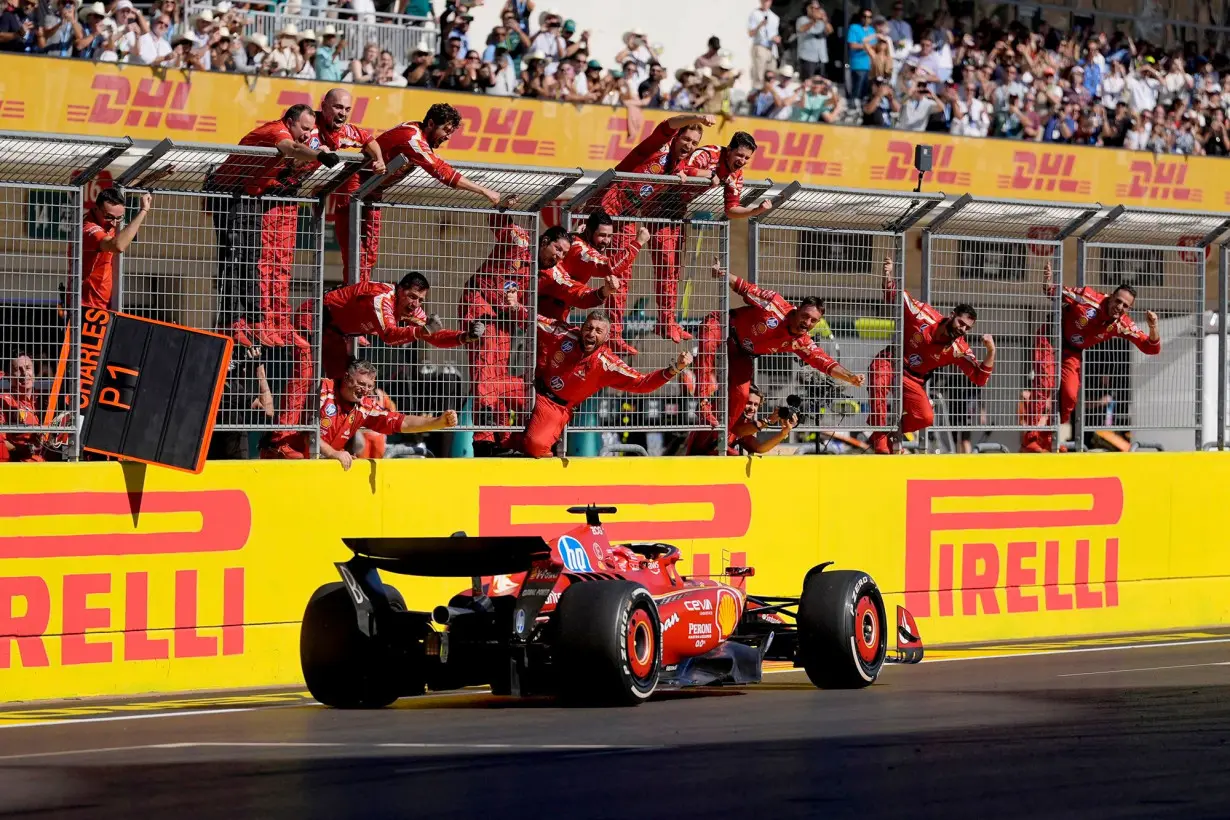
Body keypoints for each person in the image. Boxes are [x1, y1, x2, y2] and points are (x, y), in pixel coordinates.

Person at [686, 260, 864, 454]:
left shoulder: (802, 342)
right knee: (707, 349)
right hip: (724, 325)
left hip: (743, 353)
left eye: (814, 320)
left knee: (742, 395)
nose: (808, 322)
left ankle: (724, 437)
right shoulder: (775, 304)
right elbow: (746, 288)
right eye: (805, 316)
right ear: (797, 310)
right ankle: (703, 404)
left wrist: (850, 377)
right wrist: (722, 274)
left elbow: (825, 362)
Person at [207, 104, 341, 347]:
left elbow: (298, 156)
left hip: (250, 197)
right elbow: (291, 149)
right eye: (303, 128)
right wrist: (320, 155)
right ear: (289, 122)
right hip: (228, 193)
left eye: (311, 130)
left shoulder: (299, 138)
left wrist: (319, 150)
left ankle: (253, 321)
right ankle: (230, 322)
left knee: (252, 259)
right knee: (235, 259)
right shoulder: (276, 132)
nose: (306, 134)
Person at [344, 103, 511, 283]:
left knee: (368, 253)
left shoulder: (418, 135)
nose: (447, 137)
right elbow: (444, 172)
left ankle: (357, 290)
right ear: (431, 124)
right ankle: (351, 294)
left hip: (372, 191)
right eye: (446, 130)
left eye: (451, 132)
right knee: (355, 252)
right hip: (354, 188)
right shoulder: (412, 137)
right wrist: (485, 191)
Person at [601, 112, 715, 344]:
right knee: (585, 264)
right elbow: (668, 124)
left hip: (628, 216)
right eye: (686, 139)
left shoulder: (679, 164)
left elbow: (695, 171)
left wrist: (711, 175)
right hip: (605, 205)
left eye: (694, 143)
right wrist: (698, 116)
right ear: (676, 137)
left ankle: (614, 333)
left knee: (623, 271)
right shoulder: (659, 146)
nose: (689, 145)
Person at [518, 311, 692, 457]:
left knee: (535, 446)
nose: (591, 334)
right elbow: (534, 319)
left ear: (607, 337)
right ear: (582, 327)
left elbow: (642, 383)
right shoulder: (565, 333)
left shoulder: (607, 364)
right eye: (589, 328)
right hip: (532, 387)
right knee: (494, 390)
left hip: (555, 408)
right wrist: (515, 306)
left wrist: (675, 368)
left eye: (598, 331)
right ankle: (500, 444)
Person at [867, 254, 995, 454]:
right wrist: (888, 275)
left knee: (925, 417)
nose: (963, 329)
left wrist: (991, 351)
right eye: (961, 323)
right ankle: (881, 441)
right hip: (891, 361)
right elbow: (895, 295)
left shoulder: (958, 348)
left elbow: (979, 378)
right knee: (879, 386)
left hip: (913, 379)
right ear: (952, 315)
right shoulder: (922, 315)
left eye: (967, 328)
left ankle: (890, 433)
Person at [1036, 261, 1161, 451]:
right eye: (1118, 301)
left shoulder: (1122, 324)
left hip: (1072, 350)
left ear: (1129, 310)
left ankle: (1047, 437)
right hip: (1051, 337)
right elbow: (1052, 291)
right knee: (1046, 384)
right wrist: (1047, 280)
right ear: (1110, 297)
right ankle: (1031, 439)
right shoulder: (1087, 297)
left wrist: (1153, 327)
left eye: (1125, 306)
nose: (1119, 307)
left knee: (1069, 396)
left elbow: (1151, 348)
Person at [274, 359, 458, 466]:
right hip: (285, 459)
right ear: (346, 378)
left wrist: (437, 422)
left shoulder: (366, 406)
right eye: (361, 384)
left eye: (369, 386)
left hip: (318, 465)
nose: (365, 390)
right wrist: (334, 453)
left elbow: (401, 422)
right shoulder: (322, 391)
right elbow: (308, 434)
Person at [320, 270, 484, 389]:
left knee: (342, 386)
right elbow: (389, 336)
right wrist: (421, 331)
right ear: (399, 290)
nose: (415, 304)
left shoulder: (411, 309)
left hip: (336, 334)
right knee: (306, 379)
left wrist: (464, 337)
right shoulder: (382, 298)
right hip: (316, 318)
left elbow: (434, 336)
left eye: (420, 300)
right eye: (412, 296)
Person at [462, 214, 532, 456]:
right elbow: (497, 221)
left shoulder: (545, 273)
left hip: (505, 315)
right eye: (557, 249)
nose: (558, 257)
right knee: (485, 368)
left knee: (499, 376)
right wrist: (502, 207)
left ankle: (502, 434)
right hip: (481, 301)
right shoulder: (520, 243)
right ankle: (485, 440)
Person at [314, 89, 386, 285]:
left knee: (363, 253)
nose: (342, 113)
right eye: (337, 107)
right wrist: (315, 152)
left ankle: (356, 290)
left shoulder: (347, 131)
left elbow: (369, 140)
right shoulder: (309, 125)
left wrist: (379, 159)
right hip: (284, 189)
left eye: (347, 109)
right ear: (324, 106)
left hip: (331, 191)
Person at [560, 211, 647, 355]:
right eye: (601, 235)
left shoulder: (579, 242)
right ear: (588, 232)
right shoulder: (579, 249)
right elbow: (610, 266)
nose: (606, 241)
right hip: (548, 309)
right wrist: (638, 242)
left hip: (561, 308)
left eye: (609, 236)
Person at [81, 187, 151, 311]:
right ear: (96, 208)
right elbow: (118, 246)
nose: (113, 223)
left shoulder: (107, 223)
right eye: (109, 217)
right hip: (88, 306)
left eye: (119, 218)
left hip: (107, 305)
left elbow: (127, 187)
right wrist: (143, 210)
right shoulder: (89, 229)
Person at [678, 131, 773, 220]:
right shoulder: (709, 154)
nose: (742, 161)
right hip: (664, 193)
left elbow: (731, 210)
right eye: (739, 155)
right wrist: (710, 174)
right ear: (729, 150)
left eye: (747, 158)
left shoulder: (736, 174)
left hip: (678, 206)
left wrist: (756, 211)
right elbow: (681, 169)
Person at [536, 224, 619, 324]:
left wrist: (604, 292)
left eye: (564, 253)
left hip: (539, 319)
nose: (559, 256)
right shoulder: (523, 247)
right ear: (545, 241)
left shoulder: (554, 273)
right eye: (557, 249)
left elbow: (577, 293)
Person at [1020, 314, 1057, 453]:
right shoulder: (1044, 340)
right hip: (1041, 391)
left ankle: (1047, 440)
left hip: (1046, 392)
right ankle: (1030, 441)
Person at [724, 385, 796, 455]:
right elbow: (739, 431)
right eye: (748, 403)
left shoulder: (745, 422)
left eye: (756, 405)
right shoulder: (726, 416)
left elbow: (759, 448)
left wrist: (783, 433)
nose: (752, 408)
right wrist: (768, 420)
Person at [0, 353, 43, 462]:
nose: (24, 373)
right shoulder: (4, 401)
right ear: (9, 376)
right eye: (18, 370)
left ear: (34, 371)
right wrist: (20, 449)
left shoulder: (46, 398)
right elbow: (2, 442)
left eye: (28, 368)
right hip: (22, 466)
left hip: (53, 462)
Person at [747, 0, 779, 87]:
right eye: (764, 1)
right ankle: (756, 96)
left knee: (771, 75)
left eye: (767, 1)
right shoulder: (754, 14)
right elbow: (750, 33)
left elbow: (775, 34)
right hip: (760, 46)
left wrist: (776, 39)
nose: (765, 3)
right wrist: (759, 26)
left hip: (772, 49)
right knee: (759, 76)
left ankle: (767, 96)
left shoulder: (774, 17)